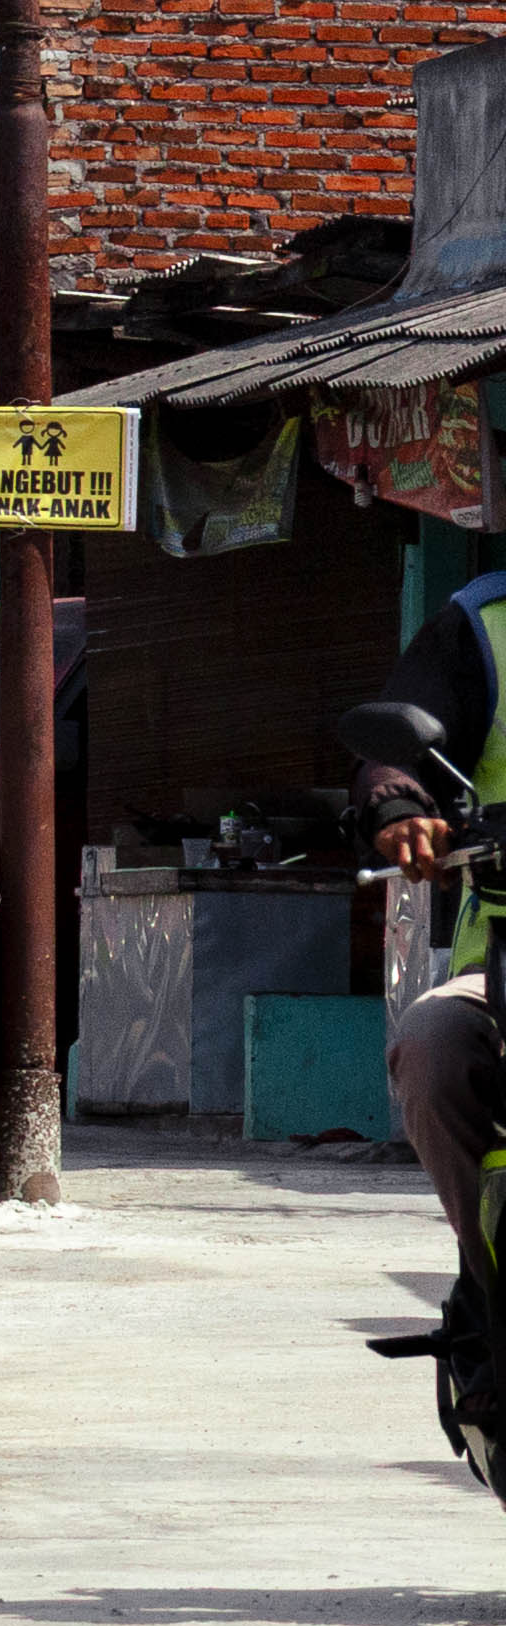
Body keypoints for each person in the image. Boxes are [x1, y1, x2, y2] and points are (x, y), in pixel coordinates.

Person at [345, 574, 506, 1355]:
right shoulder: (483, 624)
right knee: (433, 1044)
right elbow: (391, 756)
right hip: (503, 967)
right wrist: (399, 807)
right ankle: (494, 1282)